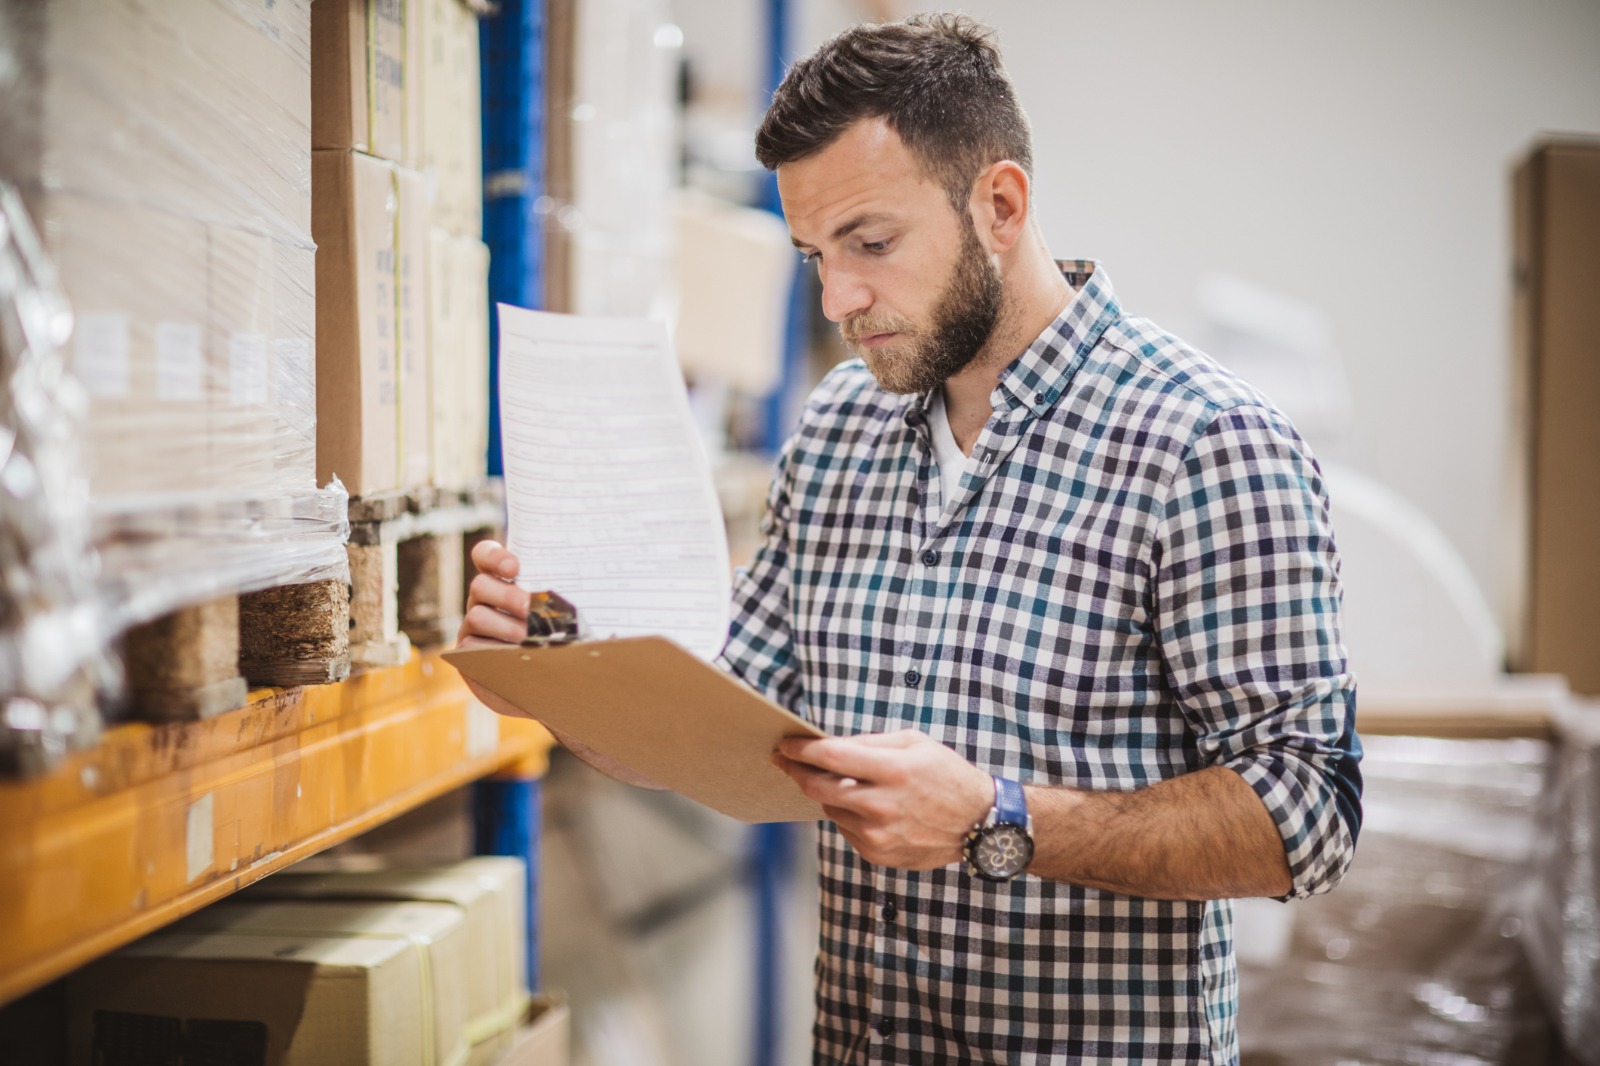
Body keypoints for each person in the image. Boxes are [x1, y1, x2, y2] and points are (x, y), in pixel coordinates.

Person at [459, 13, 1362, 1065]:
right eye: (814, 256)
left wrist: (996, 818)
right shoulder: (840, 427)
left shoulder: (1205, 443)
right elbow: (722, 727)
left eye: (871, 244)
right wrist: (563, 667)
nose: (839, 297)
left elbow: (1308, 816)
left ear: (1000, 205)